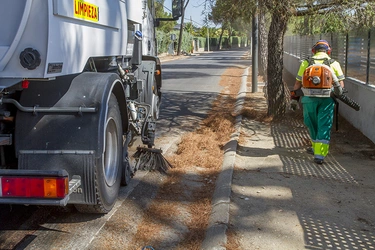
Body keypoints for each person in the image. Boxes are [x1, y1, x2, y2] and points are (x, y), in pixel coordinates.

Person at [292, 40, 345, 164]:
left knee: (311, 122)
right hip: (327, 100)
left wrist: (294, 100)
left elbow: (297, 83)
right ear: (328, 51)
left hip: (308, 99)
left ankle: (315, 147)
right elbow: (341, 85)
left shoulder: (306, 63)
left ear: (313, 51)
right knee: (324, 124)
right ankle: (319, 154)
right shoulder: (334, 63)